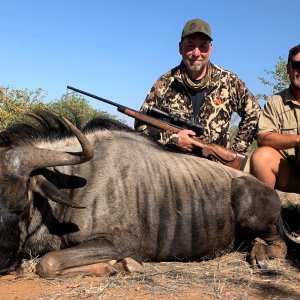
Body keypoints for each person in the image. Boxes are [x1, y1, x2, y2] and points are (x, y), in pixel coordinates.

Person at [134, 18, 260, 155]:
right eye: (190, 45)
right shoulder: (165, 82)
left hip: (216, 167)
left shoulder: (229, 81)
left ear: (210, 49)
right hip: (174, 164)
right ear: (180, 48)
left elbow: (254, 113)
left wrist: (233, 153)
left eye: (202, 47)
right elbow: (140, 124)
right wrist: (172, 139)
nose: (196, 53)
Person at [250, 44, 300, 192]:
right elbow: (263, 138)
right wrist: (298, 140)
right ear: (288, 68)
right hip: (287, 174)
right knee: (261, 157)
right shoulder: (274, 102)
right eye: (297, 64)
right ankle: (268, 212)